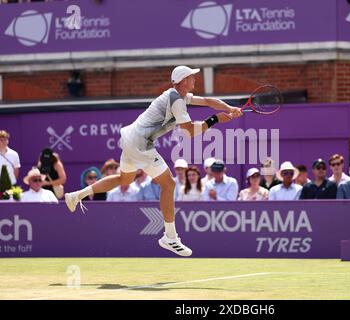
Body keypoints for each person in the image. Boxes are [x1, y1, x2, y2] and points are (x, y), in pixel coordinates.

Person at [65, 65, 242, 257]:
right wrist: (215, 120)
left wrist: (230, 108)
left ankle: (77, 195)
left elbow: (208, 101)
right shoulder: (176, 100)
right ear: (183, 81)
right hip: (141, 143)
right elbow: (189, 131)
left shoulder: (176, 95)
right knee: (169, 184)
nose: (195, 80)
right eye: (192, 77)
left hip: (130, 139)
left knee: (123, 179)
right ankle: (170, 237)